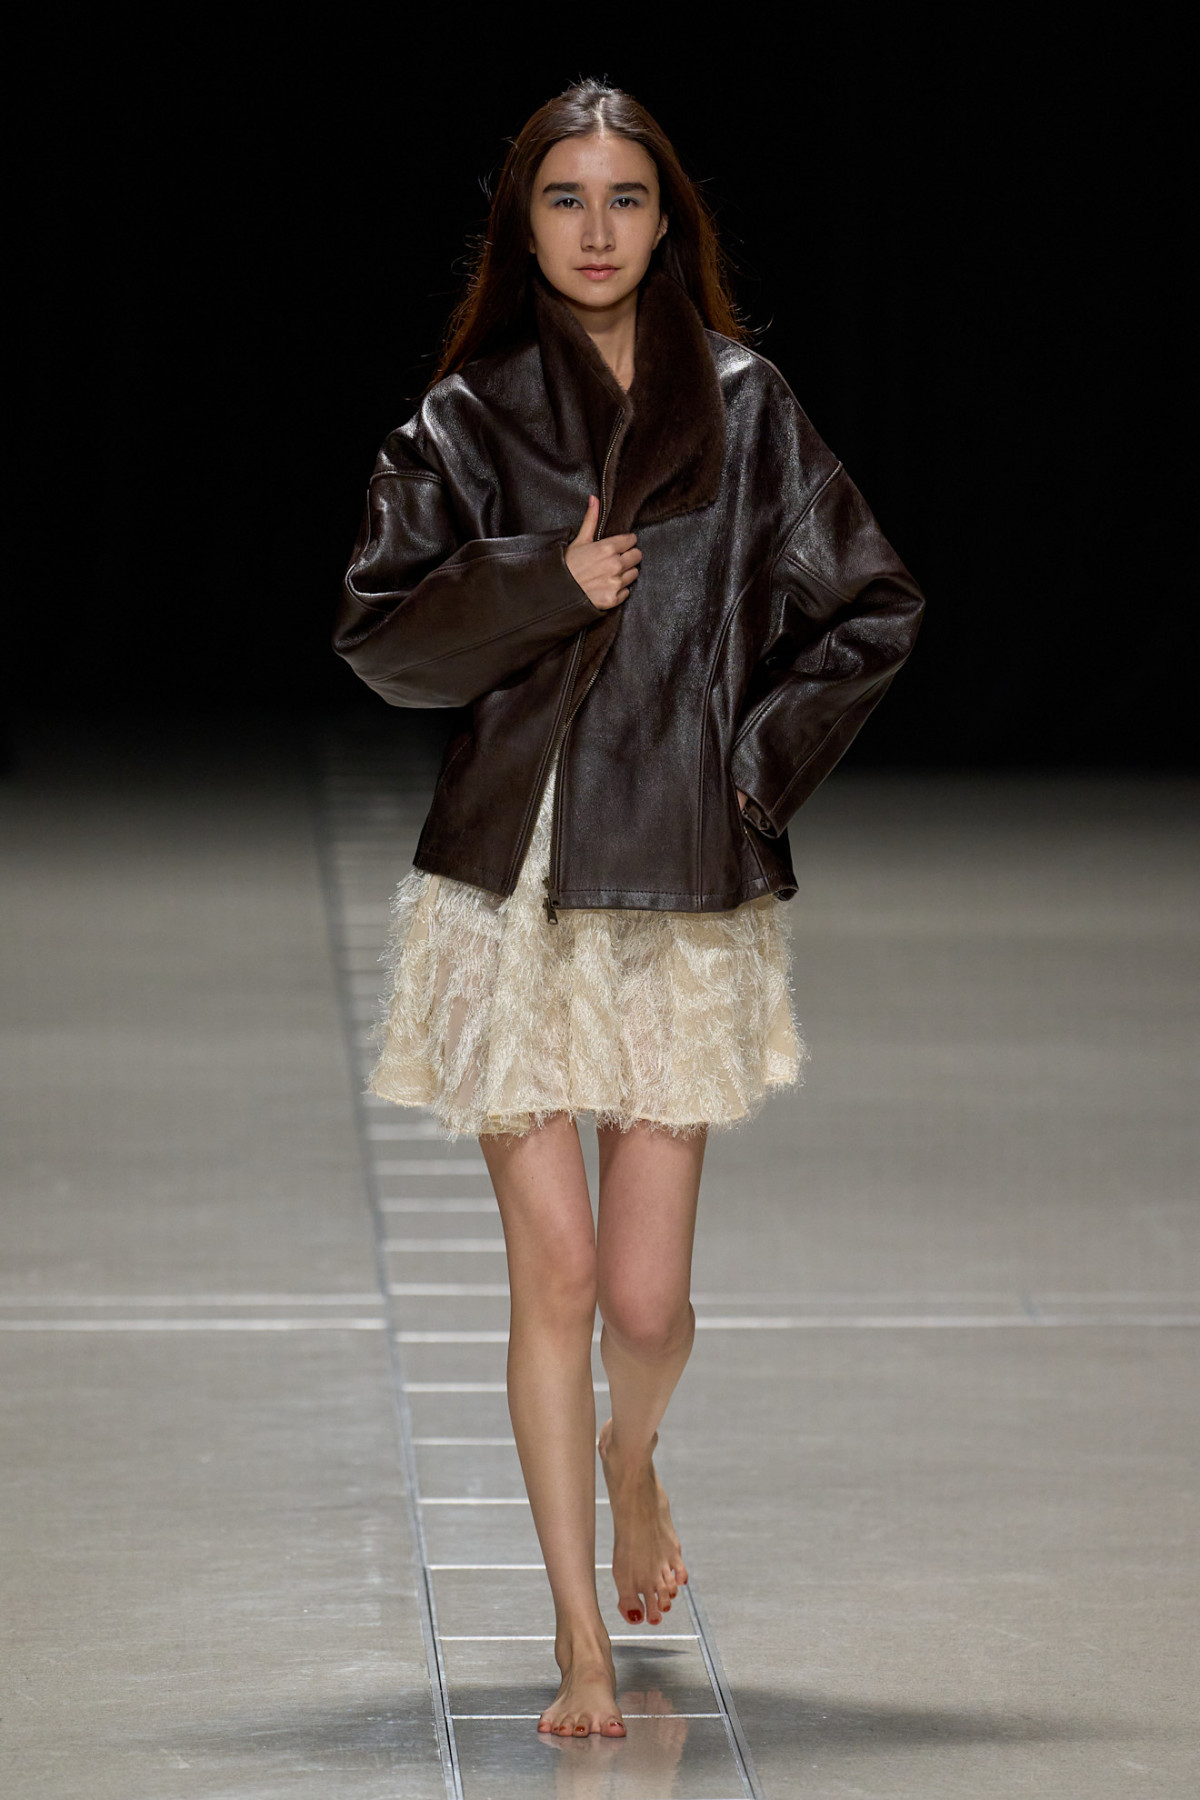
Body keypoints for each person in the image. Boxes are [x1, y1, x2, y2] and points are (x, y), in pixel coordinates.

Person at [334, 78, 924, 1739]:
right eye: (565, 199)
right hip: (507, 885)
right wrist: (543, 586)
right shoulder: (468, 417)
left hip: (679, 879)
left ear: (669, 222)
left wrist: (752, 774)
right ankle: (581, 1639)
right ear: (522, 223)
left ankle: (632, 1457)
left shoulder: (742, 403)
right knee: (563, 1278)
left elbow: (874, 603)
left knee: (647, 1305)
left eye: (627, 199)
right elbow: (380, 634)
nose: (597, 231)